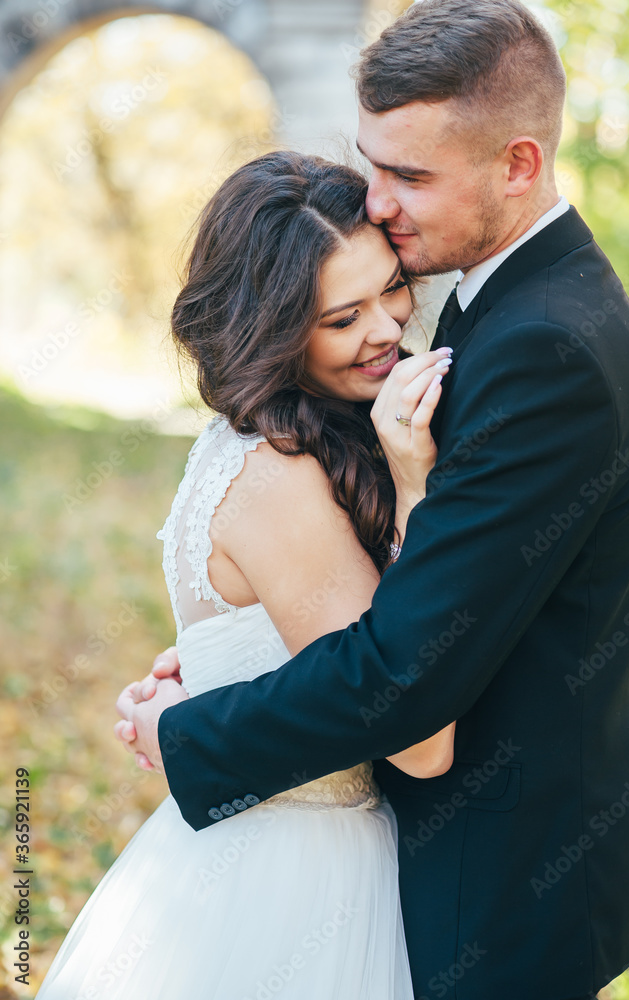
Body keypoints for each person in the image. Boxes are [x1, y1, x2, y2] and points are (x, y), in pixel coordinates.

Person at [118, 1, 629, 998]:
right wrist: (249, 641)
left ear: (517, 164)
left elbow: (406, 671)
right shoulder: (495, 295)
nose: (375, 201)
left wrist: (192, 728)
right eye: (372, 163)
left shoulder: (546, 347)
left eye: (409, 175)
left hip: (503, 885)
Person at [36, 151, 456, 999]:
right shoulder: (280, 475)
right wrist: (415, 490)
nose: (385, 328)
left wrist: (216, 673)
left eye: (391, 290)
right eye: (343, 316)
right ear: (270, 328)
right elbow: (414, 738)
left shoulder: (266, 438)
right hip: (298, 880)